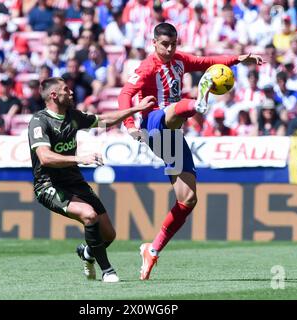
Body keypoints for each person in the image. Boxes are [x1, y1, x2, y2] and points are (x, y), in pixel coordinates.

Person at [117, 22, 263, 280]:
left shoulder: (180, 60)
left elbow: (207, 61)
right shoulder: (147, 66)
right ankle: (197, 102)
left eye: (174, 43)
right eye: (165, 44)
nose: (170, 48)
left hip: (171, 137)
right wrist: (129, 125)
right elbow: (125, 94)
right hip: (152, 123)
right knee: (172, 111)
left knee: (187, 199)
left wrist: (239, 59)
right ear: (154, 43)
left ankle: (152, 250)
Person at [28, 77, 155, 283]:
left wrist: (136, 108)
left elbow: (105, 120)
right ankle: (108, 271)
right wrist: (80, 158)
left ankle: (87, 253)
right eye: (66, 89)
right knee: (89, 215)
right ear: (53, 95)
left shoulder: (73, 116)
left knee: (109, 235)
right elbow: (45, 157)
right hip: (49, 185)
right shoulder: (39, 121)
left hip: (75, 182)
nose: (71, 92)